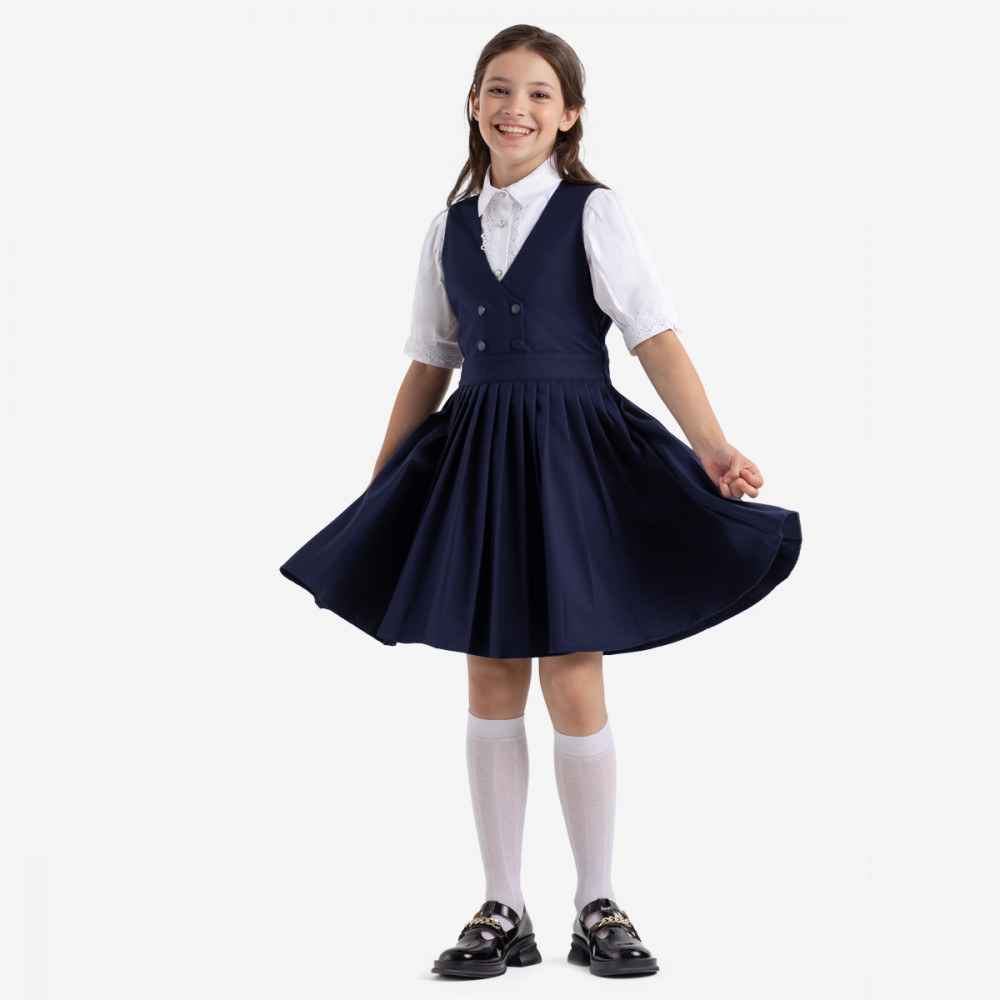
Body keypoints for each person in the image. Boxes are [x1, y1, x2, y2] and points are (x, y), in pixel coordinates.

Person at [279, 23, 802, 979]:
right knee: (489, 674)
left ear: (569, 116)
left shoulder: (594, 212)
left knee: (572, 670)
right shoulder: (450, 227)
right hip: (480, 459)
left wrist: (714, 446)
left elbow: (654, 337)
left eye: (536, 94)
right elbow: (429, 364)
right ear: (473, 105)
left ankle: (598, 901)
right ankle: (502, 904)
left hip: (571, 458)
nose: (513, 107)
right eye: (497, 89)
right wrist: (383, 483)